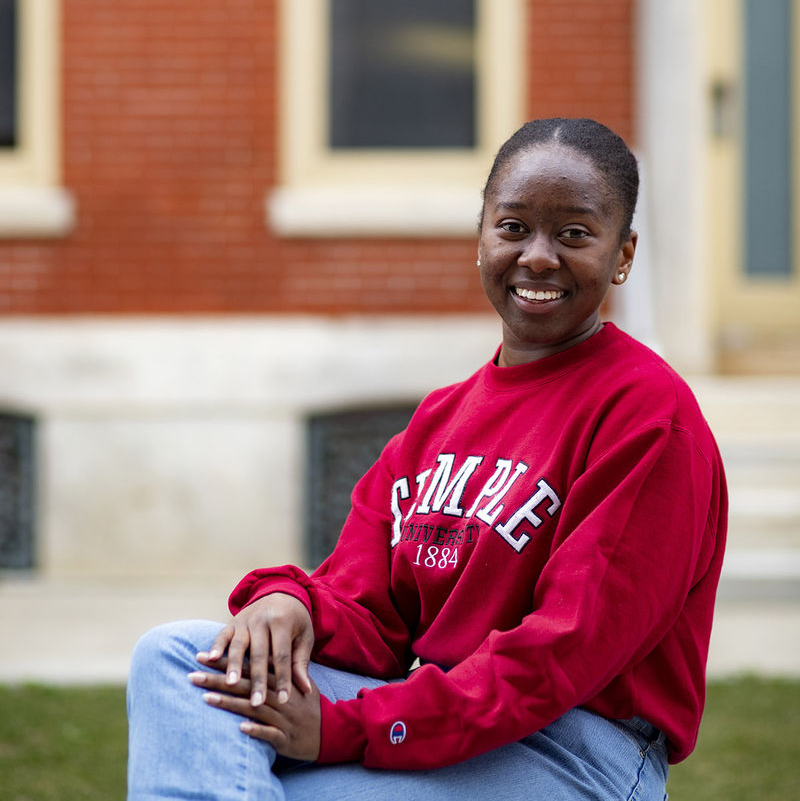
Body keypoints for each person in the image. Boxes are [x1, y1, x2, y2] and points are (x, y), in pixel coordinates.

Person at [127, 117, 727, 801]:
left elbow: (562, 654)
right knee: (176, 660)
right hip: (433, 709)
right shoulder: (441, 418)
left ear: (623, 255)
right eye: (513, 227)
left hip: (576, 749)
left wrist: (352, 729)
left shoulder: (649, 416)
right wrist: (290, 603)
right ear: (480, 238)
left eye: (573, 235)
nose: (537, 257)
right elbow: (367, 612)